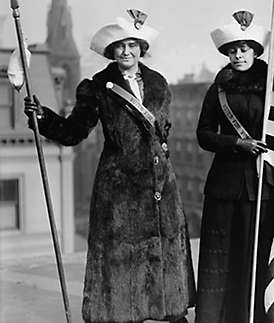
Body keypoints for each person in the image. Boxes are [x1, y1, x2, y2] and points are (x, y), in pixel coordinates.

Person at [24, 10, 195, 323]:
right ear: (111, 51)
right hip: (120, 186)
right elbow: (74, 131)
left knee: (163, 248)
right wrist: (44, 118)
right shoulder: (97, 87)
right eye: (120, 46)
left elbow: (163, 131)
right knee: (121, 256)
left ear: (142, 48)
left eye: (132, 44)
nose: (126, 51)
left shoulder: (159, 84)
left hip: (160, 185)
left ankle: (168, 309)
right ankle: (124, 314)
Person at [195, 10, 274, 323]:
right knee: (224, 253)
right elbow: (203, 134)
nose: (238, 55)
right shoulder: (218, 90)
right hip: (225, 185)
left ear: (256, 51)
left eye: (244, 49)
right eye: (232, 50)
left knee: (256, 252)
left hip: (262, 183)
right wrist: (236, 144)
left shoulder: (273, 88)